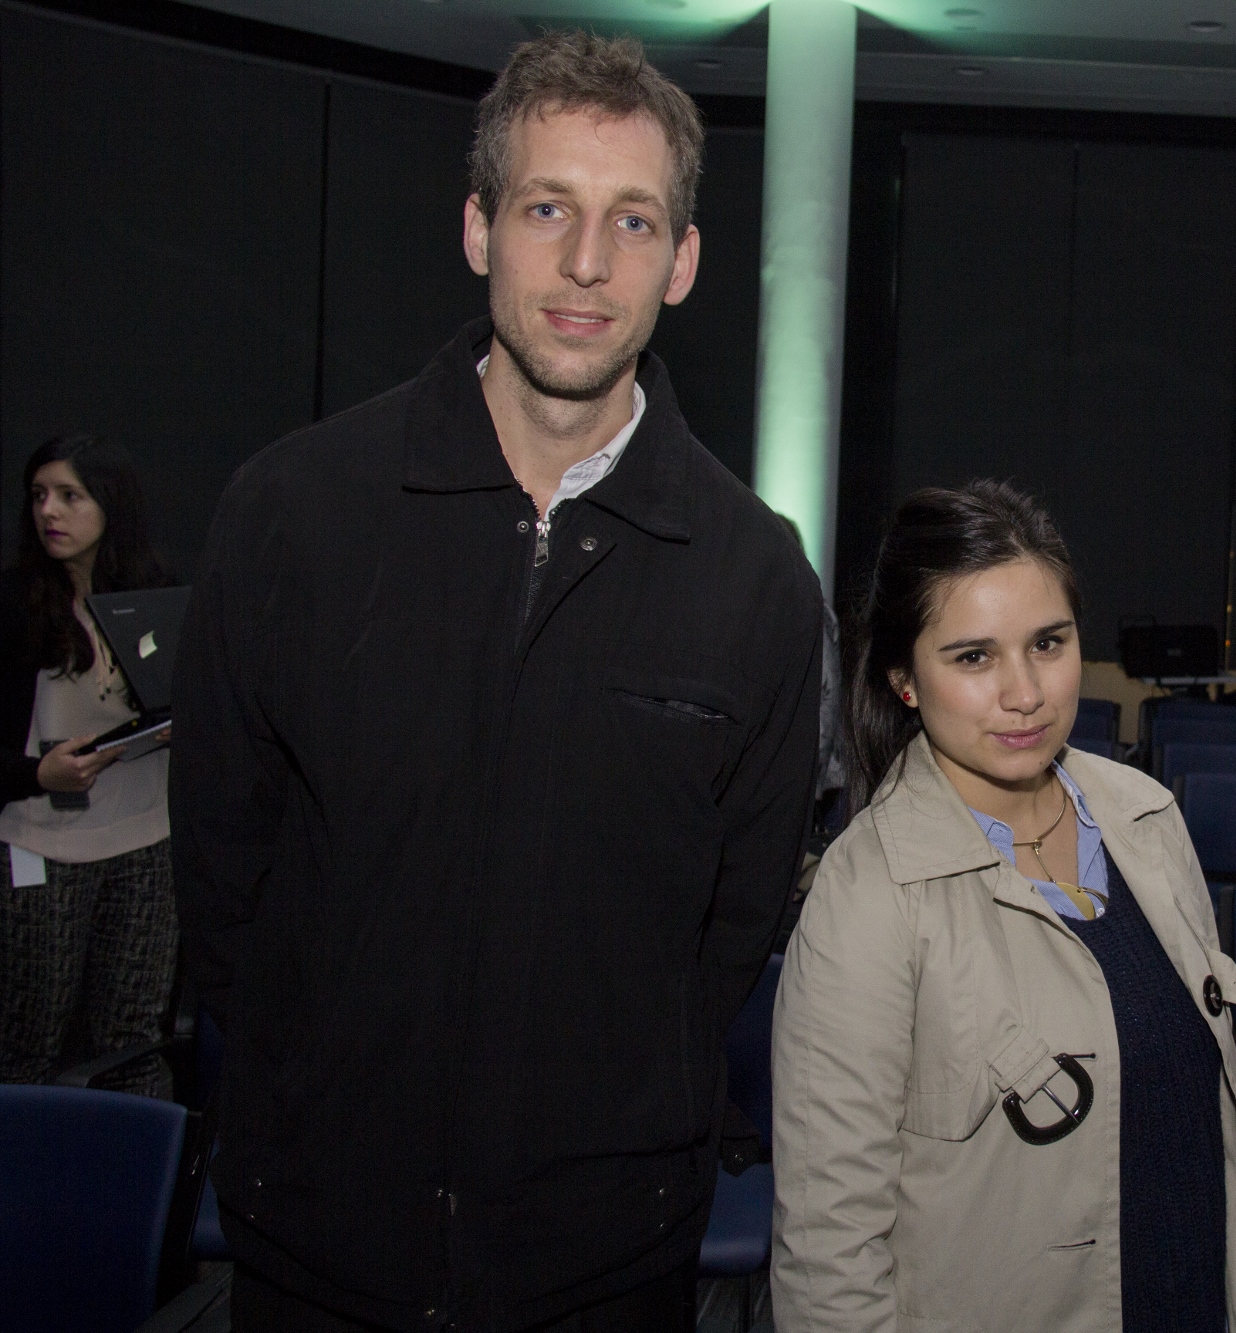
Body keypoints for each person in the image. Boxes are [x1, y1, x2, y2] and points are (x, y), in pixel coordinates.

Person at [172, 31, 823, 1332]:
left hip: (599, 1268)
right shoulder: (295, 514)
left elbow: (728, 932)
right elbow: (225, 887)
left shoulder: (755, 579)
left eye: (633, 221)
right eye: (548, 209)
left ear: (684, 261)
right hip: (317, 1249)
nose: (588, 264)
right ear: (479, 229)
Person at [770, 480, 1236, 1333]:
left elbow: (1218, 1117)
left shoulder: (1147, 820)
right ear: (904, 677)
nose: (1025, 692)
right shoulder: (869, 896)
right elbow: (830, 1248)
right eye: (973, 657)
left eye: (1048, 642)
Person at [1, 434, 175, 1097]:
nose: (51, 511)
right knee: (27, 1041)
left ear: (110, 505)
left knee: (132, 1039)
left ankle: (132, 1191)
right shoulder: (14, 602)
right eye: (40, 496)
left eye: (70, 496)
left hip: (143, 842)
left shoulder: (152, 590)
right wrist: (34, 775)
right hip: (39, 846)